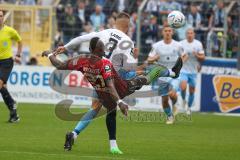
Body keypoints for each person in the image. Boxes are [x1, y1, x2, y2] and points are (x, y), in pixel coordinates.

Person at [52, 11, 182, 154]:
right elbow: (127, 68)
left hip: (98, 76)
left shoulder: (104, 32)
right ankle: (173, 73)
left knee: (96, 108)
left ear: (115, 23)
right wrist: (135, 60)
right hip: (115, 79)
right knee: (148, 73)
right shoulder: (127, 41)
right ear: (128, 26)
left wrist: (65, 47)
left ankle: (74, 134)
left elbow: (81, 38)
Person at [147, 26, 185, 124]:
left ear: (172, 32)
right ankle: (170, 116)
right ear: (162, 33)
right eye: (165, 31)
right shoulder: (156, 46)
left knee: (172, 93)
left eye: (169, 31)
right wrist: (155, 58)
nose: (167, 32)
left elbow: (184, 56)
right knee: (164, 100)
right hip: (162, 76)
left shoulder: (178, 45)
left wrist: (180, 65)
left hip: (174, 74)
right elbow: (149, 59)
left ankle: (176, 104)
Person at [0, 10, 22, 122]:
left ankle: (12, 103)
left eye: (0, 16)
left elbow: (19, 40)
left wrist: (18, 55)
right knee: (3, 89)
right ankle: (14, 115)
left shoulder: (9, 31)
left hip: (6, 62)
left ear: (3, 17)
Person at [179, 28, 205, 115]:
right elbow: (179, 58)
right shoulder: (181, 44)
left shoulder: (198, 44)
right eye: (188, 33)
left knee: (191, 90)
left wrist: (196, 55)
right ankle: (183, 100)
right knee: (183, 87)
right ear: (186, 35)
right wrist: (183, 59)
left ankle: (188, 107)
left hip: (193, 71)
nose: (190, 35)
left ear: (194, 34)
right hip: (183, 69)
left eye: (191, 33)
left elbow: (202, 58)